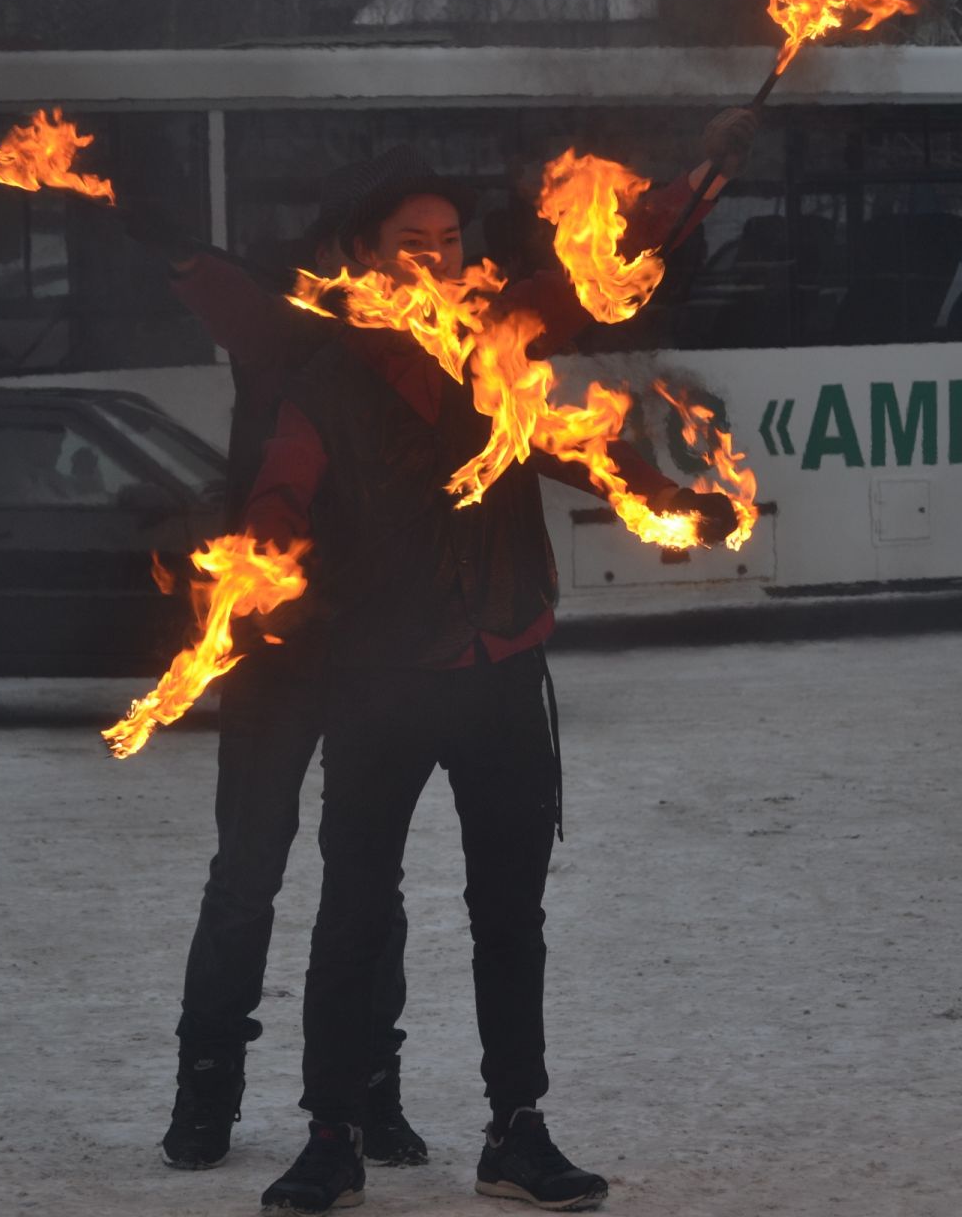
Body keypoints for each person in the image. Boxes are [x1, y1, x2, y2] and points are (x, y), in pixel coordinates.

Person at [247, 108, 758, 1214]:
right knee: (352, 911)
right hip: (381, 680)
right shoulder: (328, 375)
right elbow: (284, 481)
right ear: (366, 256)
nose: (432, 255)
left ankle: (515, 1127)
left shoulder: (497, 340)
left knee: (508, 914)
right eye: (409, 241)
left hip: (500, 669)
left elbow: (591, 350)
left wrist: (668, 499)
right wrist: (262, 554)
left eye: (443, 238)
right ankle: (331, 1134)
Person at [134, 172, 426, 1172]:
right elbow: (186, 260)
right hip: (275, 650)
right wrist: (102, 173)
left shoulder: (435, 350)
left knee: (371, 885)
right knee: (246, 874)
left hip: (384, 655)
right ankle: (206, 1091)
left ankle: (368, 1090)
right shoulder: (281, 333)